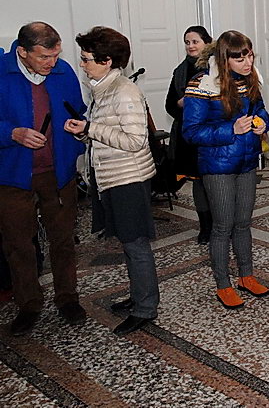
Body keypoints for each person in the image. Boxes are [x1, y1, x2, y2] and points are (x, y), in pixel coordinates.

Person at [64, 26, 160, 336]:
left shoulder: (124, 91)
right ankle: (138, 296)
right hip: (112, 178)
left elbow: (134, 141)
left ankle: (146, 308)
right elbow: (106, 135)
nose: (82, 64)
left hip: (128, 179)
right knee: (128, 244)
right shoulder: (102, 89)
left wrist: (90, 129)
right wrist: (84, 133)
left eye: (86, 59)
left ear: (106, 61)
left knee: (136, 244)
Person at [0, 22, 87, 336]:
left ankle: (68, 298)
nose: (52, 63)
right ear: (22, 51)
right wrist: (12, 133)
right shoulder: (2, 71)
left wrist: (79, 132)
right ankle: (28, 304)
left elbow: (77, 110)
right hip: (13, 176)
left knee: (63, 238)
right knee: (18, 243)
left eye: (56, 55)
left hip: (58, 173)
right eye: (44, 57)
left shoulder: (63, 72)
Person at [182, 30, 269, 309]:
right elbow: (191, 132)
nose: (248, 62)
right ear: (224, 59)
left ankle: (246, 276)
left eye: (250, 56)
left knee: (243, 223)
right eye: (240, 58)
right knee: (222, 226)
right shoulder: (202, 84)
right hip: (217, 166)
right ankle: (223, 284)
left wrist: (262, 122)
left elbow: (260, 109)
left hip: (246, 162)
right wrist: (230, 129)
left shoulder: (249, 79)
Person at [166, 26, 214, 244]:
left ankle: (221, 223)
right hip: (191, 138)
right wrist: (182, 103)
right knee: (199, 183)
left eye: (195, 41)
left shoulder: (217, 67)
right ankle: (205, 226)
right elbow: (169, 105)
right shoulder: (180, 71)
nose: (191, 46)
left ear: (207, 43)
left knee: (216, 182)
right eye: (187, 42)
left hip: (213, 134)